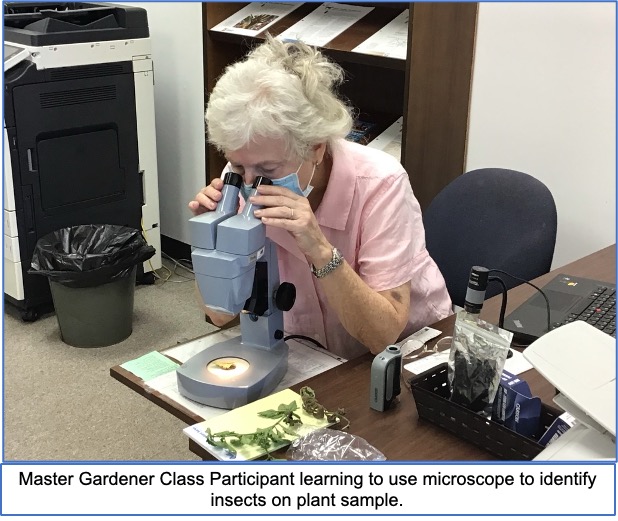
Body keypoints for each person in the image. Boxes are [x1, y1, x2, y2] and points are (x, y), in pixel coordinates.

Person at [189, 36, 452, 360]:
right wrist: (210, 249)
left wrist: (319, 249)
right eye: (239, 164)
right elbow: (220, 316)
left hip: (411, 351)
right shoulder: (240, 179)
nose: (250, 182)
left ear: (315, 147)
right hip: (311, 354)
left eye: (268, 168)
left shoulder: (381, 183)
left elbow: (383, 335)